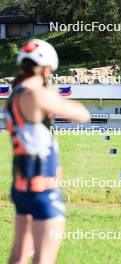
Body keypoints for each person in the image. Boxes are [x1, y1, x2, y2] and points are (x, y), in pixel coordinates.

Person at [4, 39, 90, 264]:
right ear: (45, 68)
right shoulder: (37, 94)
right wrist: (52, 94)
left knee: (19, 256)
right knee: (44, 259)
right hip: (44, 191)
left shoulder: (14, 96)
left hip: (23, 187)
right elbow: (82, 114)